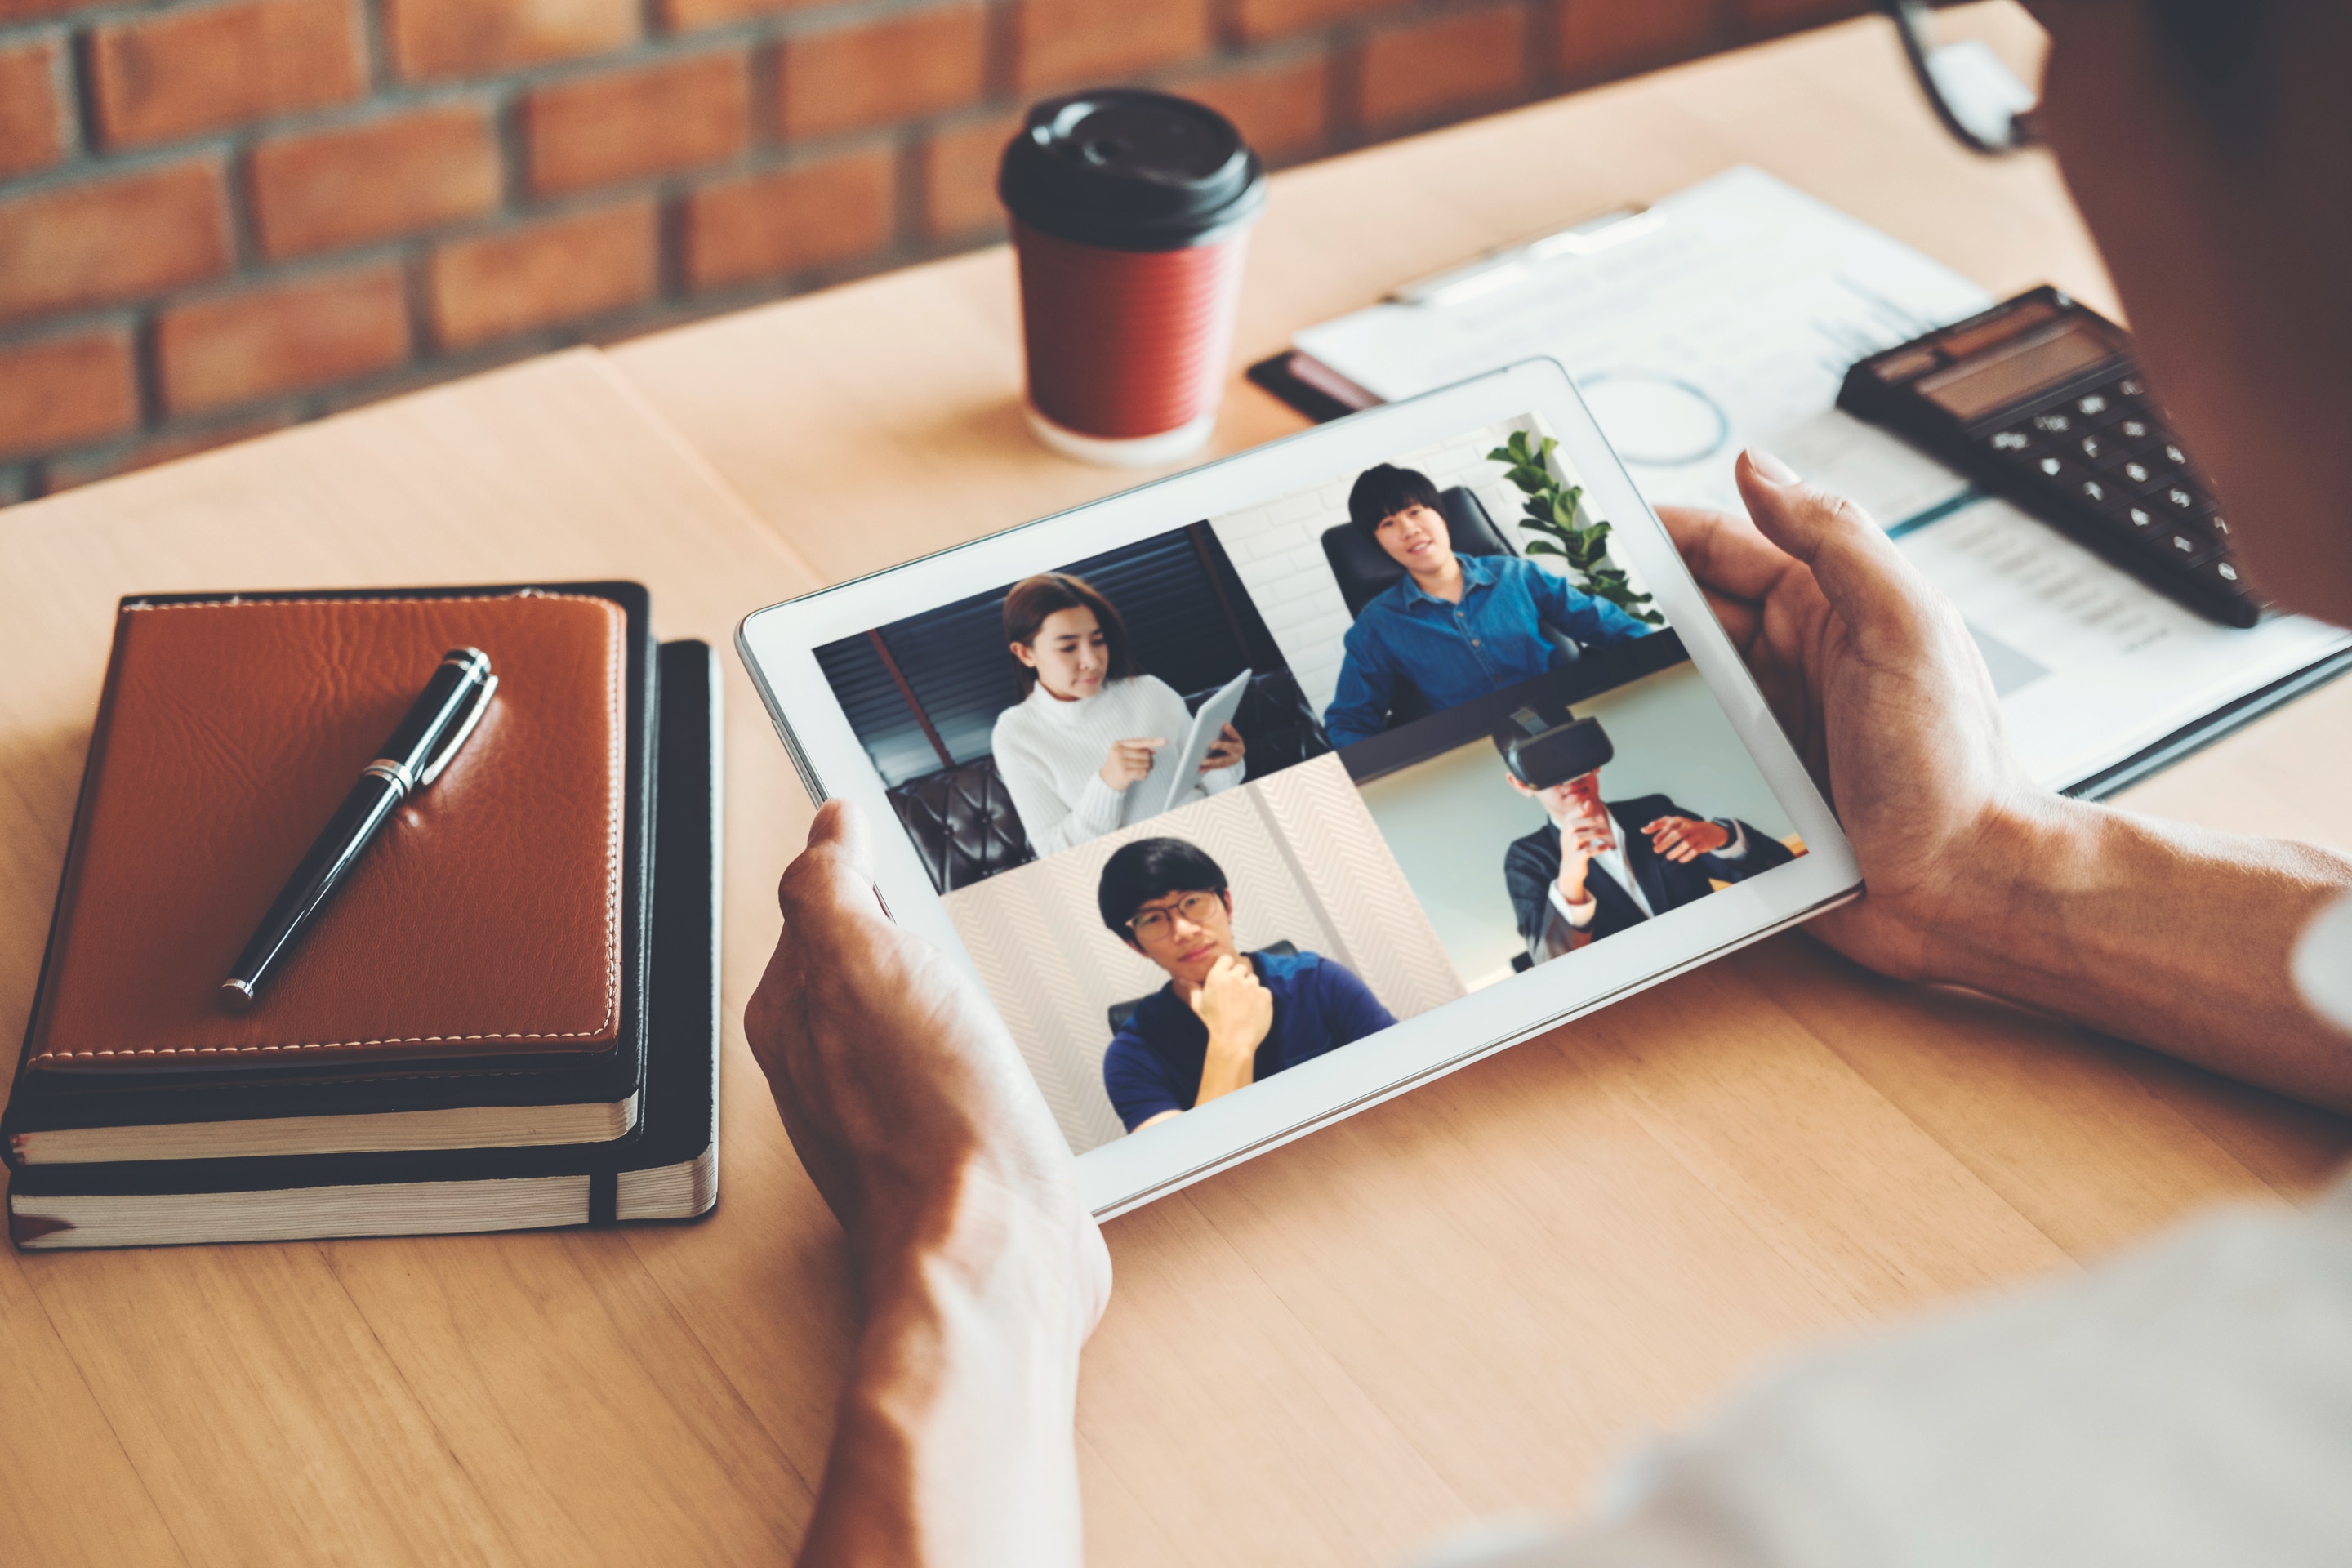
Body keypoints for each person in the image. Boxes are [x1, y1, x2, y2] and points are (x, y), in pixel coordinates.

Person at [741, 2, 2352, 1561]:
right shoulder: (1151, 967)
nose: (2050, 104)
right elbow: (1341, 745)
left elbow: (1540, 701)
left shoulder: (2051, 1458)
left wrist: (978, 1244)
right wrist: (1991, 863)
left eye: (2065, 37)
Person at [1322, 464, 1653, 748]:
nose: (1409, 529)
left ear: (1441, 515)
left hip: (1572, 717)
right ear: (1377, 544)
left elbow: (1620, 629)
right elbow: (1348, 722)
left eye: (1414, 511)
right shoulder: (1377, 626)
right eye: (1387, 524)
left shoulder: (1514, 575)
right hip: (1482, 749)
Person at [1094, 837, 1396, 1134]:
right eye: (1152, 919)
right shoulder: (1132, 1056)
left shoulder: (1320, 983)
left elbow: (1405, 1075)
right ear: (1135, 944)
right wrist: (1230, 1043)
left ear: (1226, 904)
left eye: (1192, 902)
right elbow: (1187, 1171)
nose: (1184, 930)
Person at [1498, 721, 1797, 964]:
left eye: (1570, 754)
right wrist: (1569, 883)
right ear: (1521, 784)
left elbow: (1784, 869)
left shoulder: (1655, 812)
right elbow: (1551, 967)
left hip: (1728, 963)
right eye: (1544, 766)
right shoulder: (1526, 860)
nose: (1568, 777)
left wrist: (1723, 836)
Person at [991, 572, 1245, 855]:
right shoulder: (1015, 733)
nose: (1091, 661)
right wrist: (1108, 784)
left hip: (1216, 837)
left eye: (1098, 641)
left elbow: (1220, 790)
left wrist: (1225, 763)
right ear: (1025, 654)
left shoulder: (1149, 690)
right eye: (1068, 647)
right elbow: (1054, 851)